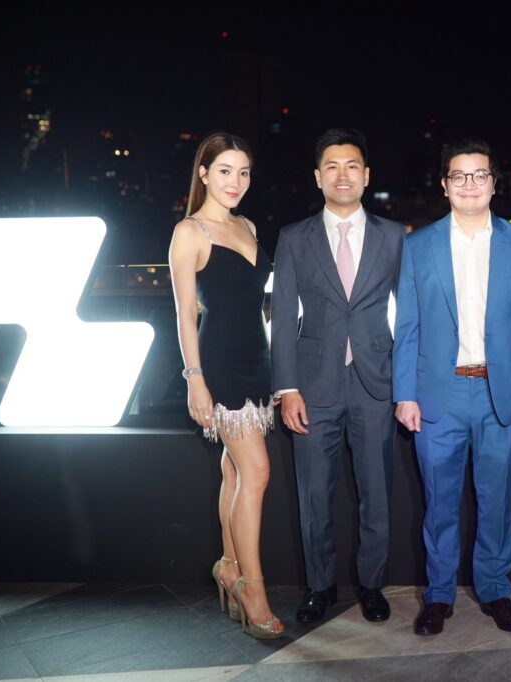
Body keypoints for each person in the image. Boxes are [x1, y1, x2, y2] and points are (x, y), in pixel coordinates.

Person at [393, 138, 511, 636]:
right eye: (459, 176)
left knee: (495, 502)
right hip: (436, 394)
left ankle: (496, 590)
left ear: (493, 183)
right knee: (438, 503)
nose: (469, 184)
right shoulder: (417, 245)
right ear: (445, 186)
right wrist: (404, 394)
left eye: (479, 175)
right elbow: (407, 326)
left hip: (500, 394)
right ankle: (438, 596)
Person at [271, 128, 405, 624]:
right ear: (318, 177)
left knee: (377, 495)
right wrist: (287, 388)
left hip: (376, 383)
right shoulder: (294, 238)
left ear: (366, 176)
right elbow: (282, 317)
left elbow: (410, 317)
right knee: (314, 496)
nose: (342, 174)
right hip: (312, 386)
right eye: (332, 166)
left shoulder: (395, 236)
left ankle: (372, 586)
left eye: (351, 166)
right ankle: (319, 586)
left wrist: (406, 385)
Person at [169, 131, 284, 639]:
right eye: (224, 171)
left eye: (243, 172)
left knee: (235, 472)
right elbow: (184, 315)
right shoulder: (189, 232)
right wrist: (195, 380)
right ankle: (252, 589)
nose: (235, 181)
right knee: (256, 471)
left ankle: (229, 567)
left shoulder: (247, 225)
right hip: (219, 365)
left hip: (257, 360)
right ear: (204, 173)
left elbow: (253, 303)